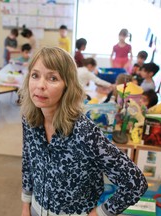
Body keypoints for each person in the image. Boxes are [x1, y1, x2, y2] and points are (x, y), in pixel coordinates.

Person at [19, 47, 148, 216]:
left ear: (68, 86)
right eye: (35, 75)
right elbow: (28, 161)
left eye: (52, 78)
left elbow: (135, 183)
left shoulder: (84, 132)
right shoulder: (29, 119)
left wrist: (100, 213)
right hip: (36, 209)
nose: (40, 85)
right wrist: (25, 205)